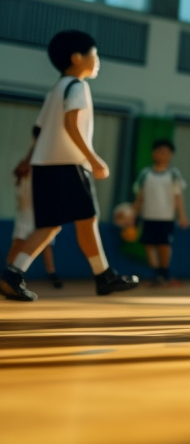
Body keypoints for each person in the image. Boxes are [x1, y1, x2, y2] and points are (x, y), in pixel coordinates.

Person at [3, 30, 140, 302]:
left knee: (49, 225)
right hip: (68, 165)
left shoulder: (56, 88)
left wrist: (29, 159)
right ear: (77, 57)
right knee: (87, 220)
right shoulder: (77, 86)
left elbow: (39, 131)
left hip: (44, 165)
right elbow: (70, 125)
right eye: (94, 54)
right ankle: (104, 276)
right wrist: (93, 159)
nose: (98, 60)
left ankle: (12, 273)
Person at [132, 139, 190, 287]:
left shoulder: (174, 174)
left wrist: (182, 216)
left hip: (166, 217)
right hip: (148, 216)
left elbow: (178, 197)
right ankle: (156, 274)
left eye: (166, 152)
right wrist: (133, 214)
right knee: (149, 245)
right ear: (154, 154)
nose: (162, 155)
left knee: (164, 245)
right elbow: (140, 196)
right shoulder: (145, 173)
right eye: (159, 152)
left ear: (171, 155)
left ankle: (165, 273)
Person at [11, 142, 61, 290]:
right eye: (21, 164)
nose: (23, 164)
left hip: (38, 216)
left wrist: (36, 144)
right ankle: (10, 272)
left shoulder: (36, 175)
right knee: (17, 245)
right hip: (24, 217)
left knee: (45, 246)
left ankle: (52, 274)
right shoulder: (21, 180)